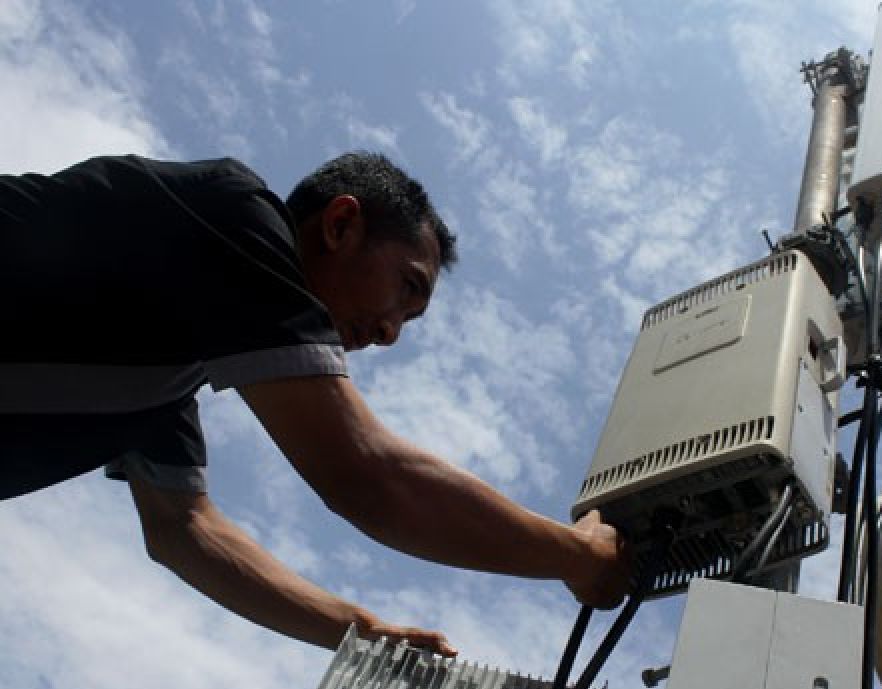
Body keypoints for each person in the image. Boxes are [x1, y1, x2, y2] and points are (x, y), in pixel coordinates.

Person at [0, 152, 629, 657]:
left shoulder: (158, 385)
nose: (388, 334)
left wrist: (358, 628)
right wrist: (582, 556)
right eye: (405, 288)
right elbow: (368, 476)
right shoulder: (229, 212)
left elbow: (184, 529)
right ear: (340, 225)